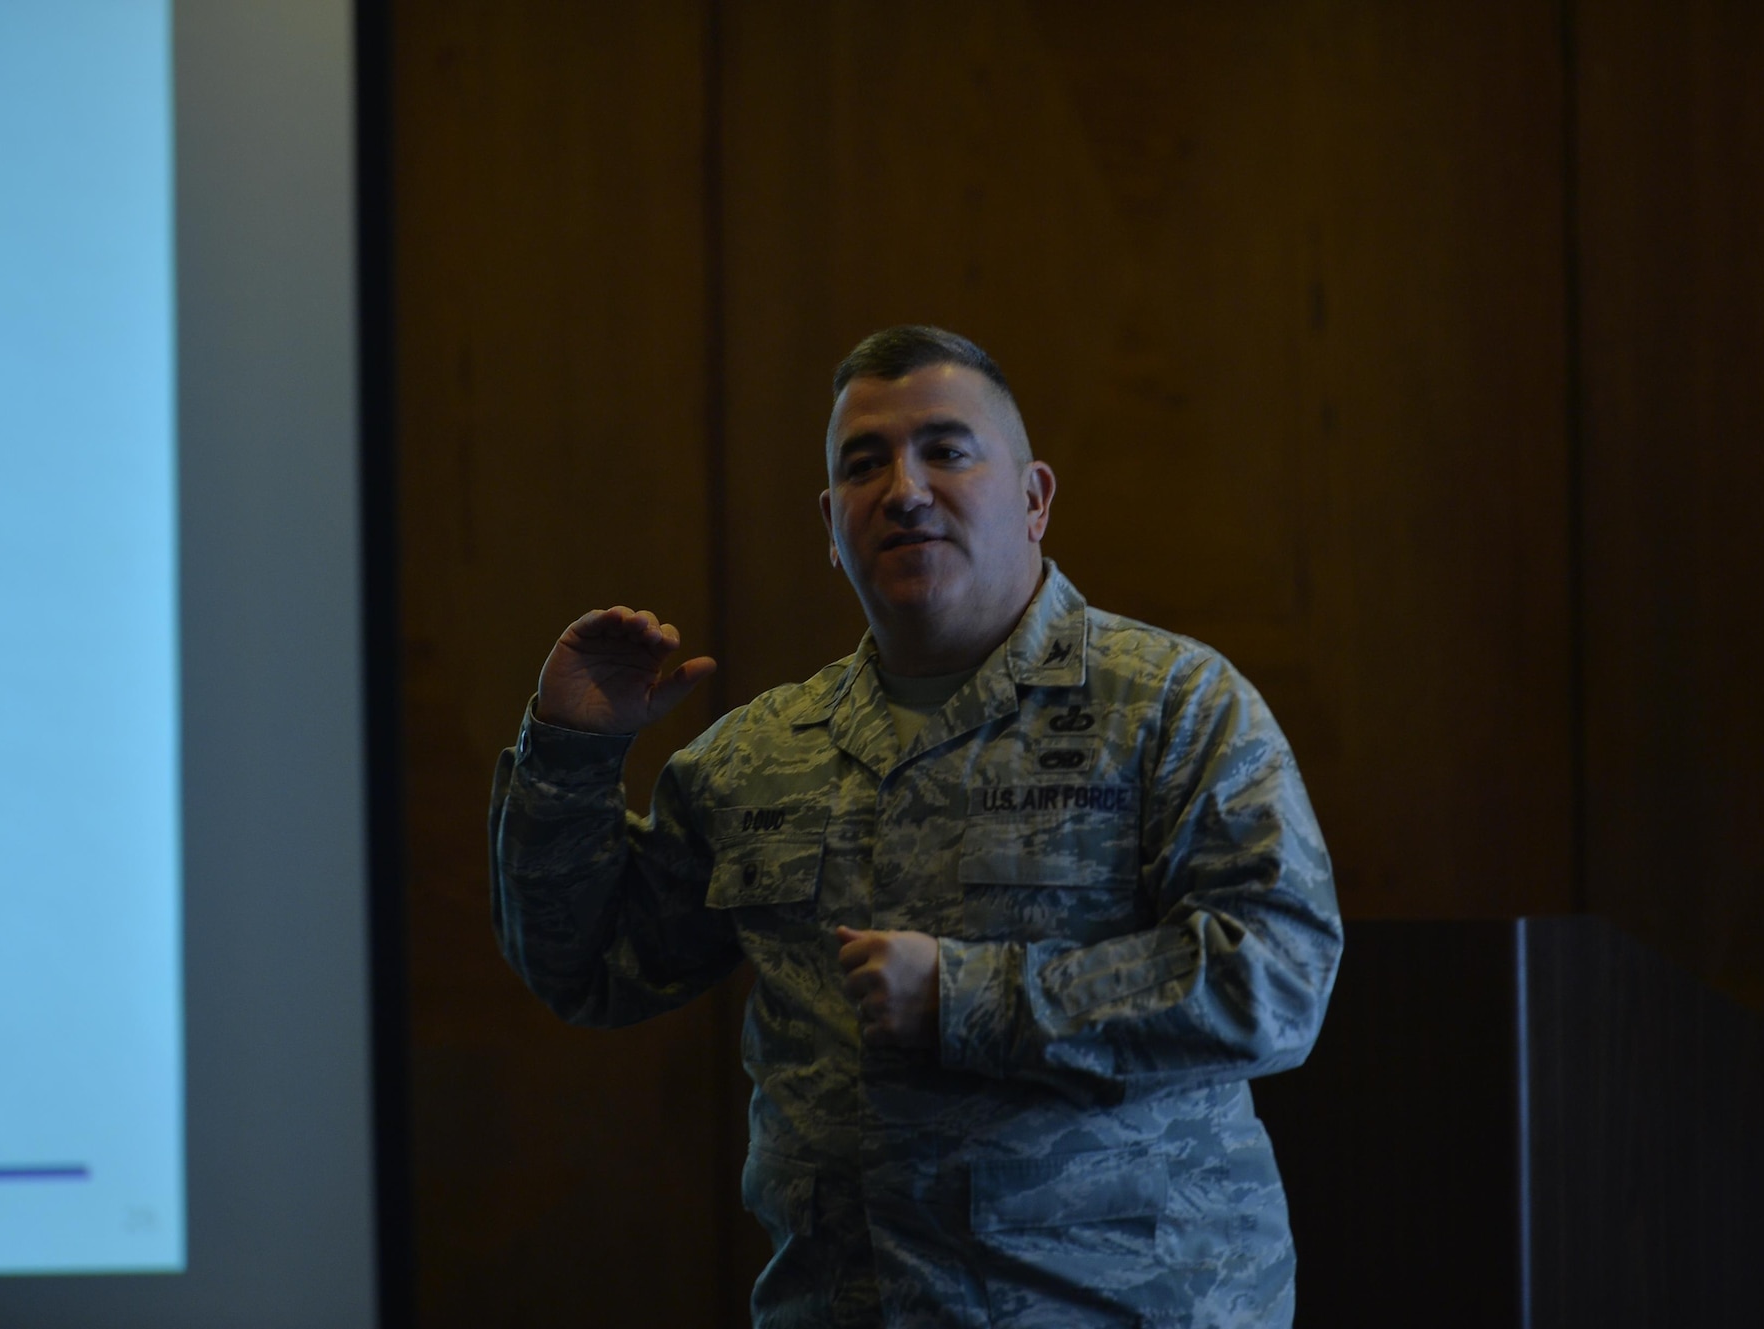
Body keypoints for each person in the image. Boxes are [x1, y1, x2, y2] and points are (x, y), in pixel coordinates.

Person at [489, 326, 1343, 1327]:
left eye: (945, 449)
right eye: (864, 463)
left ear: (1033, 499)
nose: (903, 488)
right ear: (829, 519)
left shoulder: (1170, 709)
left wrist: (967, 998)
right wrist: (569, 755)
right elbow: (590, 967)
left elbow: (1277, 978)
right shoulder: (759, 754)